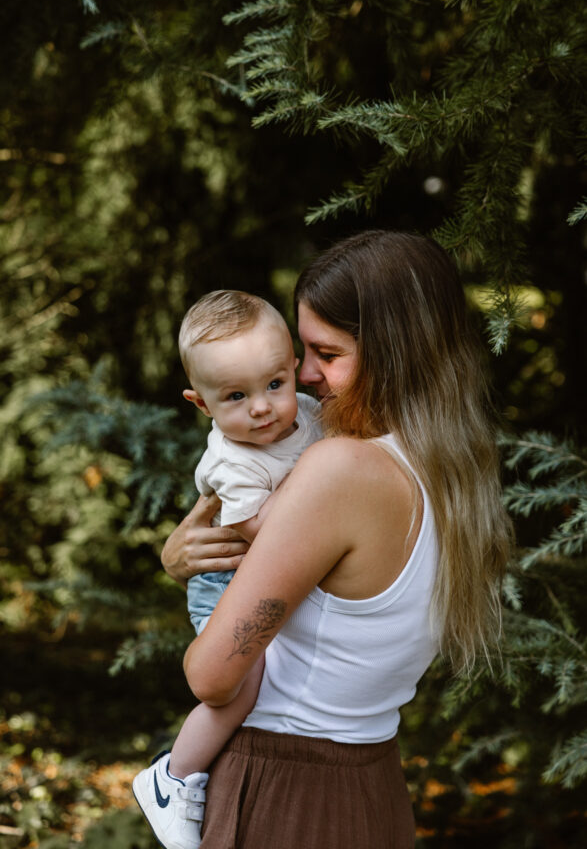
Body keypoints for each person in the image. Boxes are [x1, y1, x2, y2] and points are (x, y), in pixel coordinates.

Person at [162, 230, 514, 849]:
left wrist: (190, 576)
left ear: (395, 353)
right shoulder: (457, 471)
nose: (304, 374)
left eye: (328, 352)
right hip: (373, 785)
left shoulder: (341, 470)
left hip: (284, 792)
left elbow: (213, 679)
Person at [133, 290, 323, 849]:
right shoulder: (233, 460)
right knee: (239, 685)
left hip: (265, 573)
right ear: (202, 404)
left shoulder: (308, 415)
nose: (261, 408)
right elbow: (258, 535)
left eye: (274, 385)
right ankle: (170, 779)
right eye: (236, 396)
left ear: (294, 371)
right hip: (225, 578)